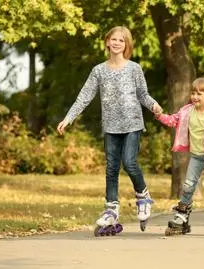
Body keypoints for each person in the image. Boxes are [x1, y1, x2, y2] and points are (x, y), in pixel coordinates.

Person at [57, 26, 162, 235]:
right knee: (111, 168)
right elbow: (85, 96)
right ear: (107, 42)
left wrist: (154, 106)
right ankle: (111, 208)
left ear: (127, 45)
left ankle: (143, 196)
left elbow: (143, 94)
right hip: (111, 126)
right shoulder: (99, 70)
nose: (116, 43)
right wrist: (68, 118)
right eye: (113, 39)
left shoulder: (134, 68)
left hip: (132, 122)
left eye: (121, 41)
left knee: (129, 162)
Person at [155, 77, 204, 236]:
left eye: (199, 94)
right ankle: (182, 216)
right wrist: (159, 115)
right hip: (196, 156)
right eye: (193, 93)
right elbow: (173, 120)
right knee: (188, 186)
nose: (195, 97)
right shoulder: (186, 111)